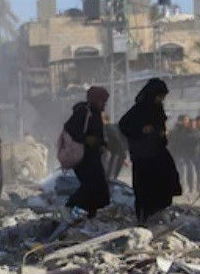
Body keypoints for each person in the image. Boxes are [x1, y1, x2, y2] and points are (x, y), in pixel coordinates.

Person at [118, 78, 180, 223]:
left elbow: (160, 128)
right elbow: (124, 125)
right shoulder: (139, 109)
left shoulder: (158, 110)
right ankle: (144, 217)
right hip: (143, 156)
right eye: (160, 96)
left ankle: (158, 213)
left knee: (165, 181)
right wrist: (141, 130)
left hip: (157, 152)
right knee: (144, 188)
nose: (161, 99)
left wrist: (161, 134)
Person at [64, 87, 111, 219]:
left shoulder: (95, 113)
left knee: (98, 187)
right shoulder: (84, 111)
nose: (104, 104)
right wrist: (85, 139)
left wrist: (102, 144)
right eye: (102, 101)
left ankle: (92, 215)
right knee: (92, 185)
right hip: (83, 157)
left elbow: (97, 134)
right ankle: (69, 207)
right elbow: (69, 128)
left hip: (93, 156)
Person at [103, 111, 127, 182]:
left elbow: (119, 141)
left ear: (104, 120)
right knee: (110, 175)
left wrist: (124, 156)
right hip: (116, 154)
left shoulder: (109, 128)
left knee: (111, 176)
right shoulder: (106, 128)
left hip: (118, 154)